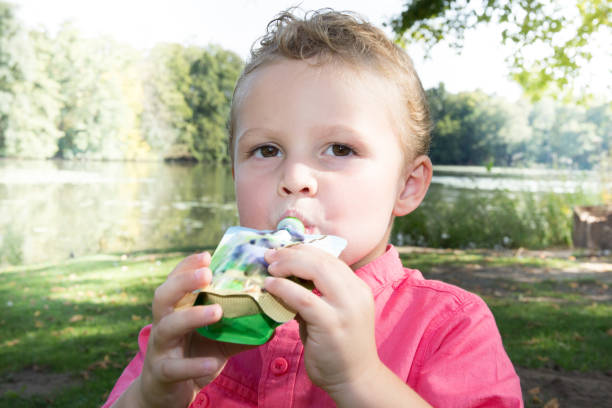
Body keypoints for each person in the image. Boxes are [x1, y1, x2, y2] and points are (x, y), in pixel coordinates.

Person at [103, 9, 523, 408]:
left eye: (340, 148)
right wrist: (152, 394)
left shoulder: (450, 327)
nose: (295, 176)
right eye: (266, 150)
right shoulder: (194, 317)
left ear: (407, 185)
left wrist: (361, 380)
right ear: (234, 173)